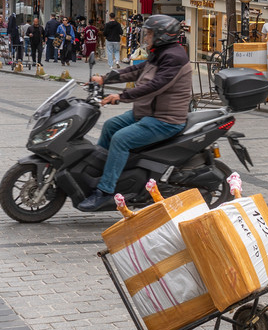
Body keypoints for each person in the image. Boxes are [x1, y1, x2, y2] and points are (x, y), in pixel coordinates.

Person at [79, 15, 193, 212]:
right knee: (110, 127)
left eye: (149, 33)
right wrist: (104, 79)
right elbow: (137, 70)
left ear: (162, 36)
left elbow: (156, 86)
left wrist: (121, 96)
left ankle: (105, 191)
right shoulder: (160, 53)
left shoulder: (174, 57)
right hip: (146, 113)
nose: (146, 37)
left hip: (165, 119)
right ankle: (102, 173)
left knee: (121, 139)